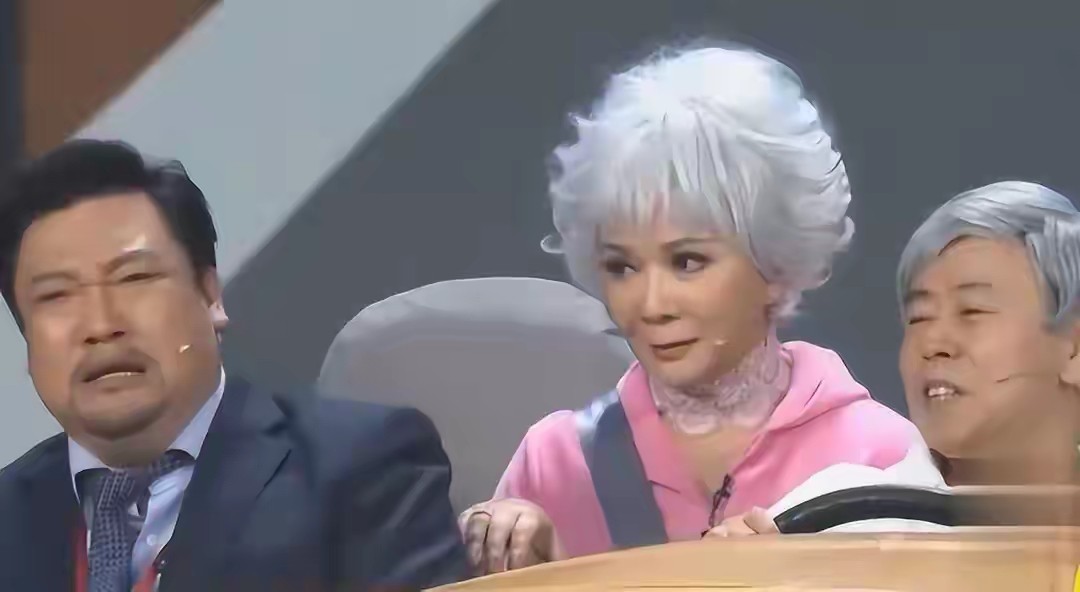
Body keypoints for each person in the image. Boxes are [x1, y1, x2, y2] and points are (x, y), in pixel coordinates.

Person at [458, 44, 944, 575]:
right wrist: (533, 570)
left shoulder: (880, 458)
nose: (651, 305)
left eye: (687, 262)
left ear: (776, 263)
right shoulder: (554, 462)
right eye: (622, 266)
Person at [0, 140, 468, 591]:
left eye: (134, 278)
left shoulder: (361, 468)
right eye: (56, 296)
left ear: (210, 296)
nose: (101, 325)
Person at [897, 181, 1080, 488]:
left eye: (972, 310)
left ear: (1073, 348)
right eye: (919, 317)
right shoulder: (846, 509)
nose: (932, 343)